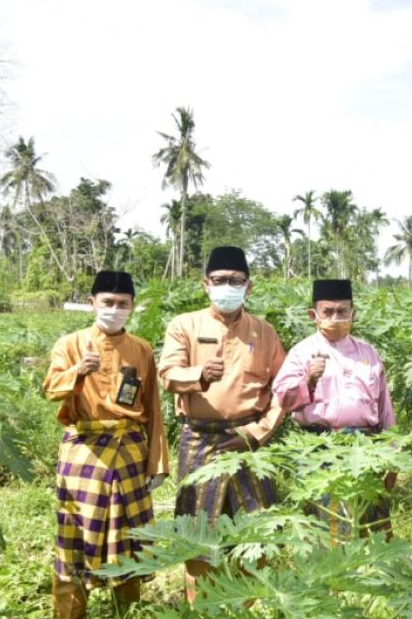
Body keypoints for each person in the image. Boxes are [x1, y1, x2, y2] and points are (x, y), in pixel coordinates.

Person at [158, 246, 286, 600]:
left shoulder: (265, 332)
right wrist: (197, 374)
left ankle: (249, 610)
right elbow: (167, 373)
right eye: (219, 280)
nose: (227, 286)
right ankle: (201, 613)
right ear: (205, 284)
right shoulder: (185, 325)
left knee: (257, 531)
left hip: (249, 440)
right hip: (201, 439)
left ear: (249, 287)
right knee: (199, 535)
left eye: (235, 280)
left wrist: (256, 433)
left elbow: (284, 390)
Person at [43, 271, 168, 619]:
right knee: (74, 533)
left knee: (128, 535)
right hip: (83, 450)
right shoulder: (70, 344)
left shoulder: (141, 349)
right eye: (108, 303)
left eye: (122, 304)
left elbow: (154, 407)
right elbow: (50, 389)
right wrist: (78, 372)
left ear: (132, 306)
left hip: (129, 449)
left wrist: (157, 462)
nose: (114, 309)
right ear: (92, 303)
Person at [273, 279, 395, 541]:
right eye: (328, 312)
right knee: (326, 531)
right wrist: (308, 379)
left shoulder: (369, 353)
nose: (335, 318)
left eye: (342, 311)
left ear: (353, 313)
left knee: (372, 529)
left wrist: (393, 455)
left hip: (367, 448)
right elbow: (282, 398)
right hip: (320, 448)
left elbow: (384, 407)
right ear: (313, 315)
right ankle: (331, 582)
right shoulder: (301, 352)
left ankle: (371, 579)